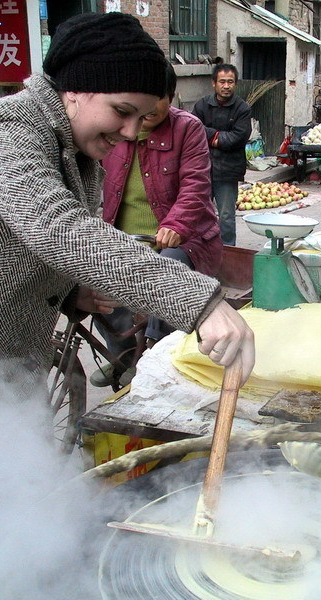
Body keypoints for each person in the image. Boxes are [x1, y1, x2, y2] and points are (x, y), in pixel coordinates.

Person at [0, 13, 255, 593]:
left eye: (143, 117)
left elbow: (44, 251)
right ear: (76, 89)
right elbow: (58, 231)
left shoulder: (77, 148)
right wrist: (201, 301)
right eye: (123, 112)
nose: (133, 133)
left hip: (3, 364)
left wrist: (75, 289)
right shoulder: (7, 132)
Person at [94, 62, 224, 387]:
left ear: (172, 95)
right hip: (124, 241)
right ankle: (121, 356)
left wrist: (176, 225)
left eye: (157, 100)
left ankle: (155, 357)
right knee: (91, 281)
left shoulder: (187, 128)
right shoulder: (114, 130)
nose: (148, 110)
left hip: (183, 242)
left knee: (164, 274)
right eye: (139, 102)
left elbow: (196, 185)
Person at [192, 64, 252, 246]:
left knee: (226, 216)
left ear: (236, 84)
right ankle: (200, 250)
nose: (226, 86)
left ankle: (227, 252)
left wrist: (209, 136)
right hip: (202, 169)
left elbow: (238, 137)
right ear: (214, 83)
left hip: (228, 170)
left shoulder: (242, 109)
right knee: (199, 213)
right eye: (222, 82)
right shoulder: (202, 105)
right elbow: (193, 131)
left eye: (230, 82)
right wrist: (218, 137)